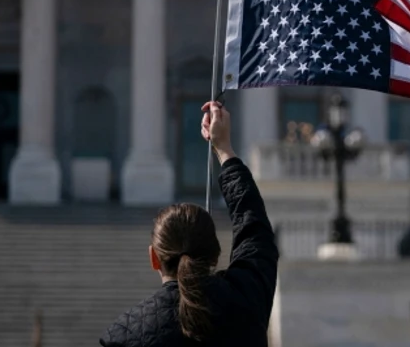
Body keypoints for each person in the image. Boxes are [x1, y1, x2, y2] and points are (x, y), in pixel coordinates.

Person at [99, 102, 279, 347]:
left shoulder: (123, 337)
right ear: (215, 252)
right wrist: (224, 150)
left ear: (154, 257)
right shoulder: (247, 299)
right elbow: (254, 227)